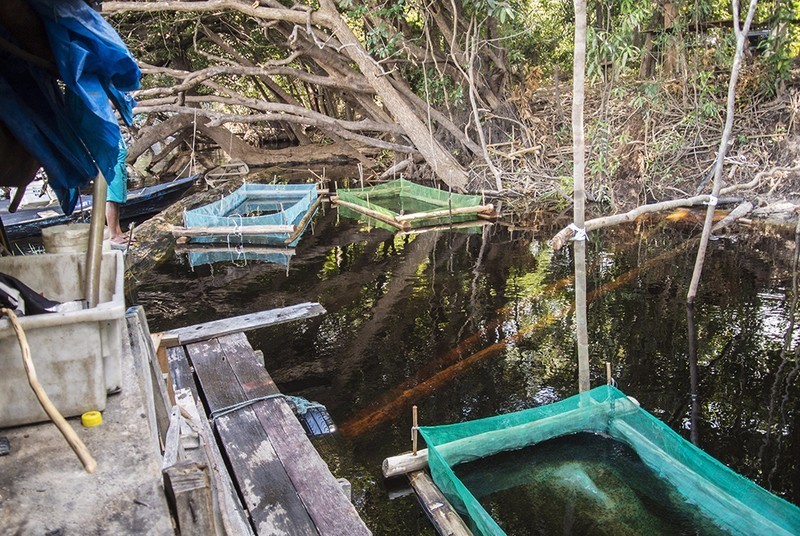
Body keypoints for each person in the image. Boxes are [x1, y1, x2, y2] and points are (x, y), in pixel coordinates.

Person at [106, 137, 128, 245]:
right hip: (112, 167)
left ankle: (118, 231)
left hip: (120, 166)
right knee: (111, 200)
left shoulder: (116, 131)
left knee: (117, 201)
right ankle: (113, 235)